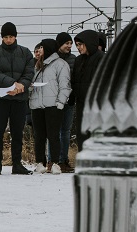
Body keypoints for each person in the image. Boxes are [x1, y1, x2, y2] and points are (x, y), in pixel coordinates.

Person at [0, 22, 34, 175]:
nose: (8, 40)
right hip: (0, 98)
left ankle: (17, 163)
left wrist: (21, 87)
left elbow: (29, 73)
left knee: (17, 132)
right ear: (2, 37)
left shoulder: (26, 53)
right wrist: (12, 84)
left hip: (19, 99)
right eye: (6, 37)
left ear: (15, 36)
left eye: (11, 36)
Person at [29, 39, 71, 174]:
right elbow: (30, 82)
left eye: (42, 47)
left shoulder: (60, 64)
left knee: (53, 135)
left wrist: (60, 103)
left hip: (53, 105)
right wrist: (29, 89)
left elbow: (65, 86)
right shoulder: (37, 65)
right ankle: (40, 162)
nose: (39, 50)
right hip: (37, 105)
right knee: (39, 135)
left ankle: (55, 163)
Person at [71, 30, 104, 155]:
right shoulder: (79, 60)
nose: (78, 48)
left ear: (89, 43)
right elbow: (74, 79)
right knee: (82, 133)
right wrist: (73, 95)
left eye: (80, 44)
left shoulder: (101, 58)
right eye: (77, 45)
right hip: (81, 103)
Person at [49, 32, 76, 169]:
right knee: (54, 131)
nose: (69, 46)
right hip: (54, 100)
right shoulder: (52, 59)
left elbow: (74, 80)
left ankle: (63, 160)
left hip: (69, 100)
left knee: (65, 131)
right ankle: (51, 160)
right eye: (67, 43)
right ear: (60, 44)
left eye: (70, 43)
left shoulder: (73, 59)